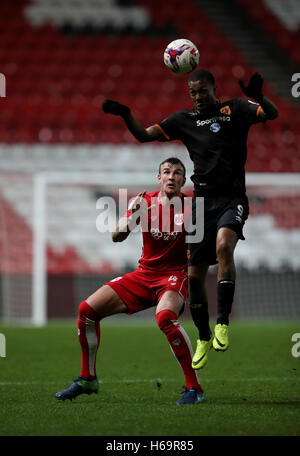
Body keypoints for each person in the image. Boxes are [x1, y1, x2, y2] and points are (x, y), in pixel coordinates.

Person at [102, 69, 279, 370]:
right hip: (201, 203)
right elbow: (144, 135)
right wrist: (126, 114)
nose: (198, 97)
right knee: (194, 276)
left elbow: (270, 114)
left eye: (202, 91)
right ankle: (204, 335)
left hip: (231, 199)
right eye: (193, 92)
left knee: (225, 246)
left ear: (214, 89)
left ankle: (223, 322)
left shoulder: (235, 109)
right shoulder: (183, 120)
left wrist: (259, 96)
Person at [55, 157, 205, 405]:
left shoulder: (192, 207)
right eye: (166, 172)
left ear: (183, 180)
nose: (171, 176)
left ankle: (195, 388)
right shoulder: (145, 202)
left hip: (174, 276)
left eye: (177, 173)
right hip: (144, 274)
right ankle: (87, 378)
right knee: (87, 311)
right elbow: (116, 236)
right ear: (159, 178)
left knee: (166, 317)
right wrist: (133, 215)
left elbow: (205, 245)